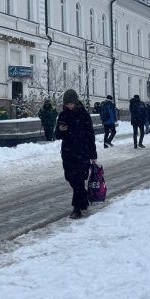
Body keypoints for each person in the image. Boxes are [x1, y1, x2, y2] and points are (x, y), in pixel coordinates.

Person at [55, 89, 97, 219]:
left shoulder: (84, 115)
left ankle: (77, 208)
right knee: (71, 178)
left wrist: (93, 155)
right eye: (67, 104)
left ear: (76, 102)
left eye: (71, 103)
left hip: (82, 152)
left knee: (78, 179)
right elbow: (57, 135)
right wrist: (60, 130)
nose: (69, 106)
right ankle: (83, 199)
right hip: (68, 153)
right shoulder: (63, 115)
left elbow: (90, 136)